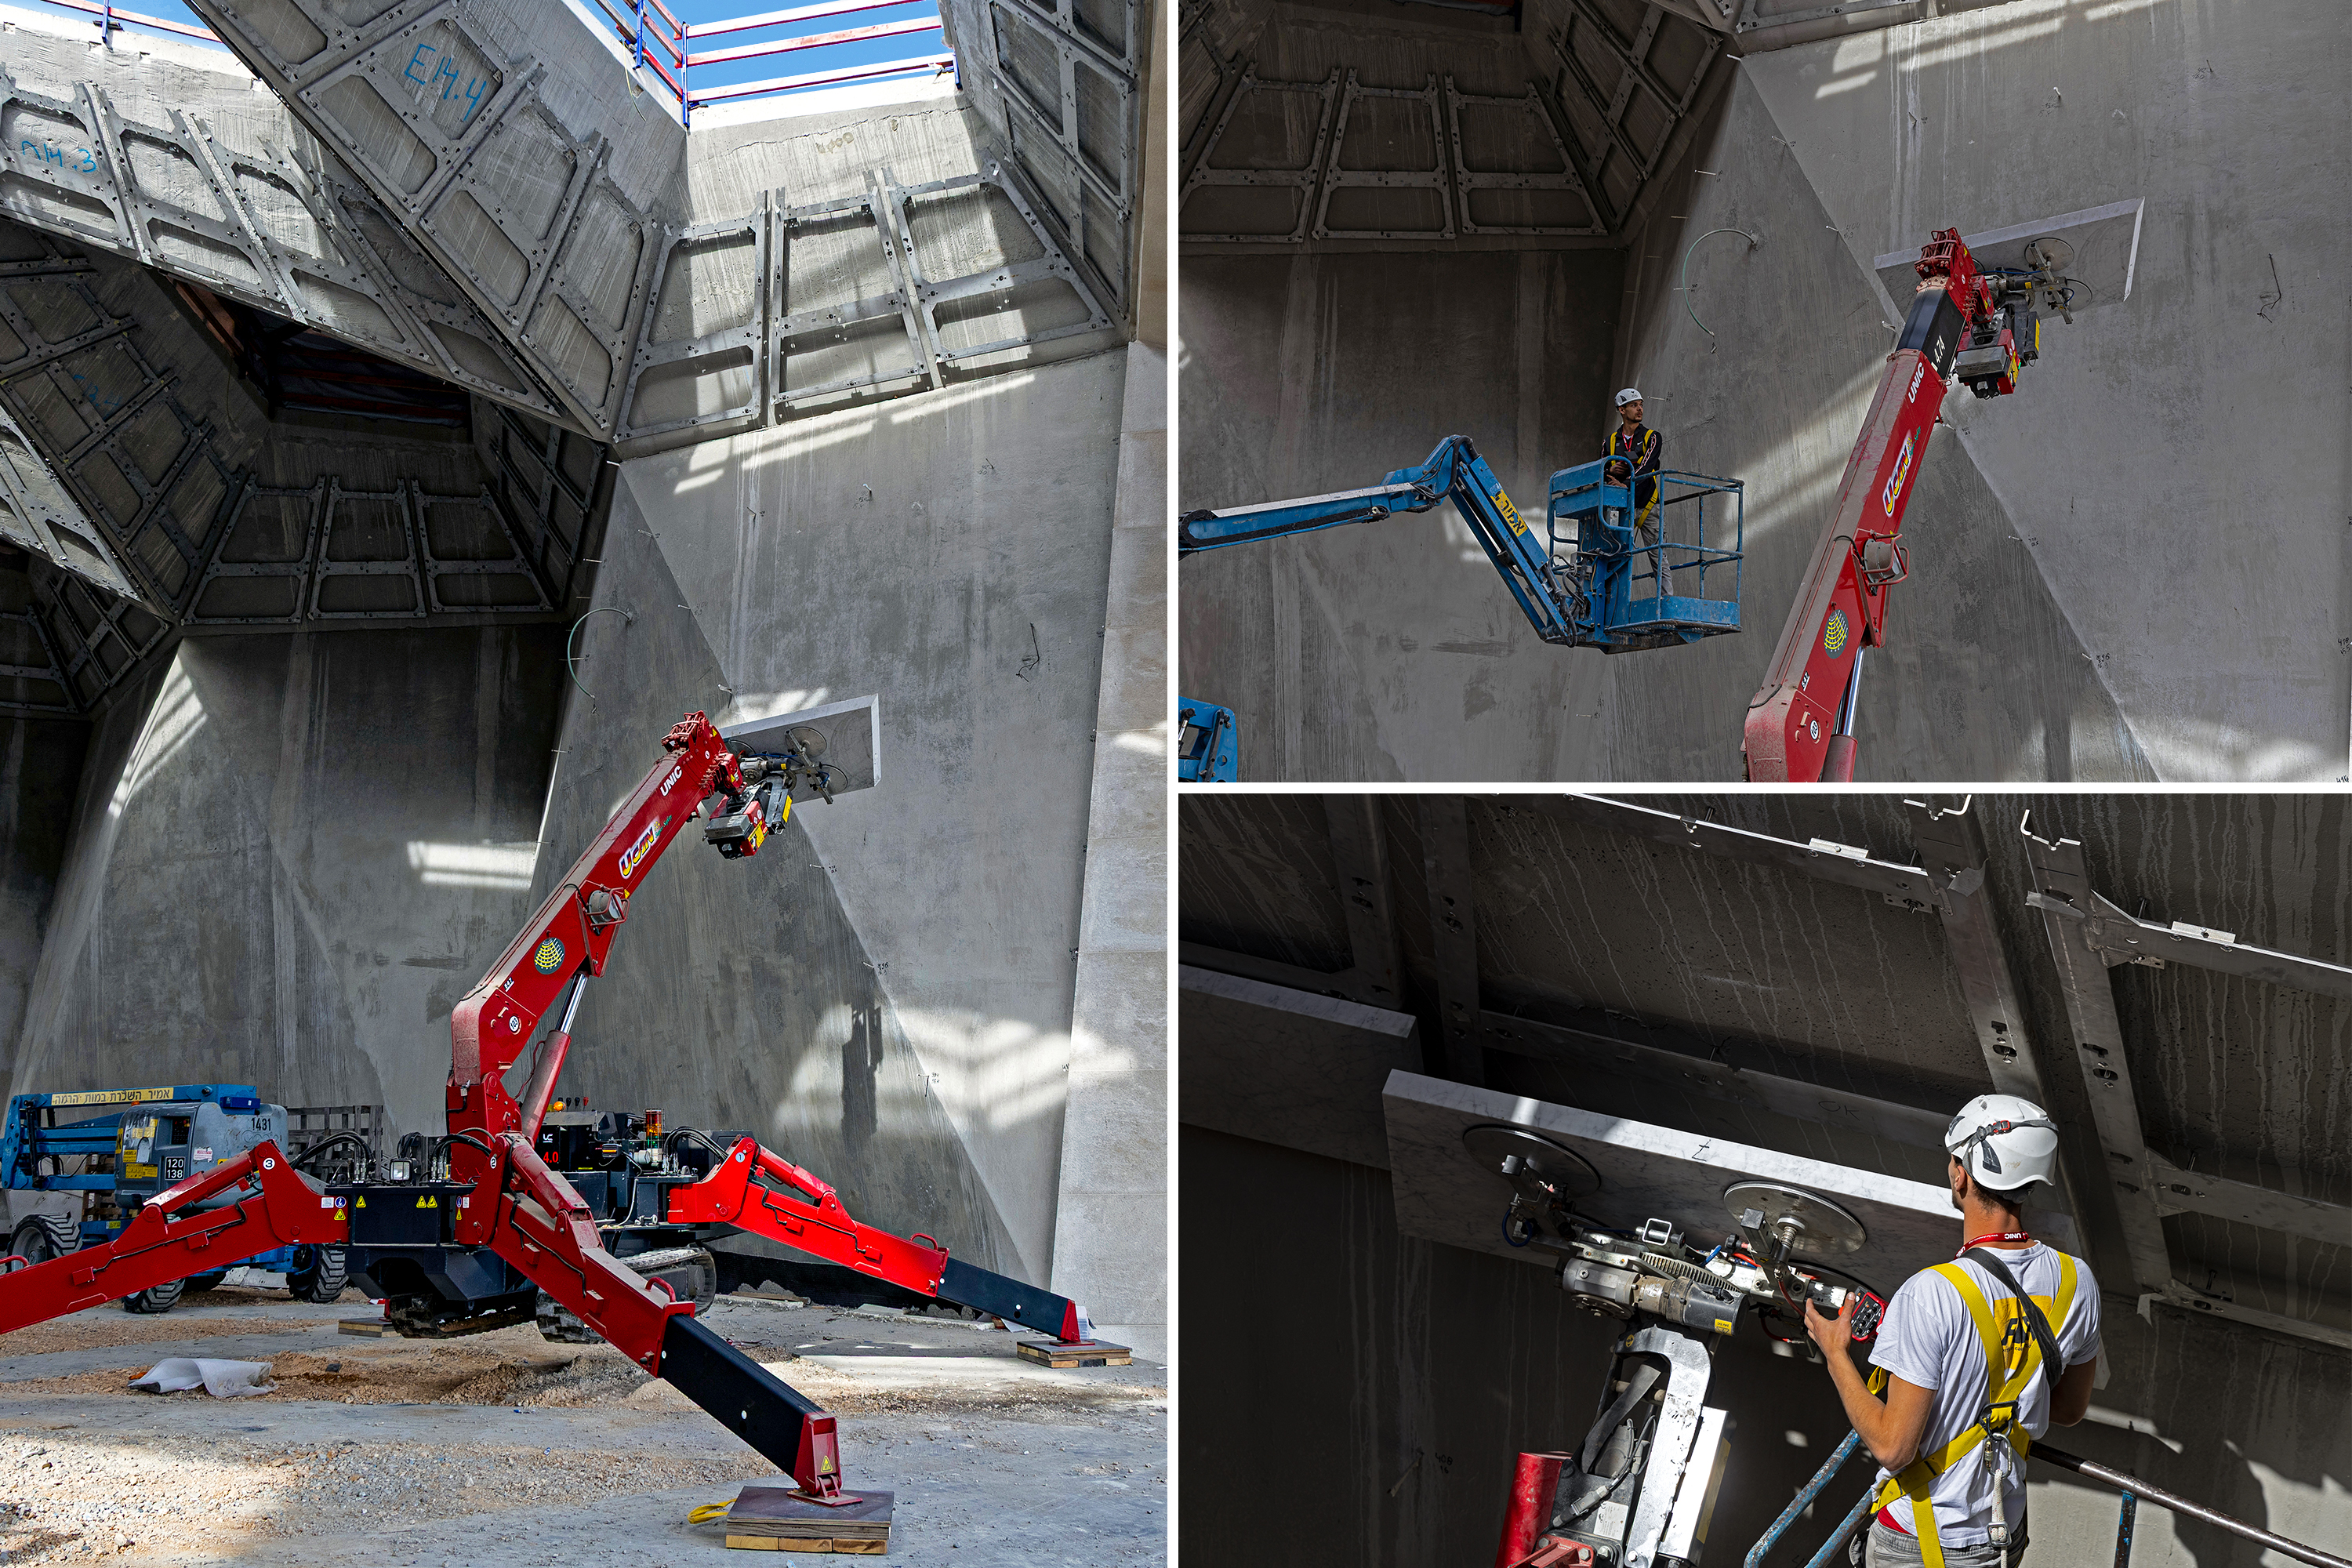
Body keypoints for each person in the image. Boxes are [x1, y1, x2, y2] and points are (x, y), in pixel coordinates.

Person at [1803, 1096, 2101, 1568]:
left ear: (1960, 1174)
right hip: (2003, 1535)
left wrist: (1835, 1352)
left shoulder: (1932, 1293)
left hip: (1920, 1541)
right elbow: (2067, 1409)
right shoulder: (2077, 1281)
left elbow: (1893, 1448)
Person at [1602, 388, 1666, 600]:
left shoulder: (1652, 437)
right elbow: (1600, 471)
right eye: (1634, 405)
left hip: (1647, 505)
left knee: (1658, 557)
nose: (1639, 409)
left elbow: (1648, 467)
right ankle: (1610, 604)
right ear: (1622, 410)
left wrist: (1626, 483)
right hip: (1620, 509)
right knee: (1613, 556)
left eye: (1641, 405)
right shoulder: (1610, 442)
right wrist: (1610, 471)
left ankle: (1666, 601)